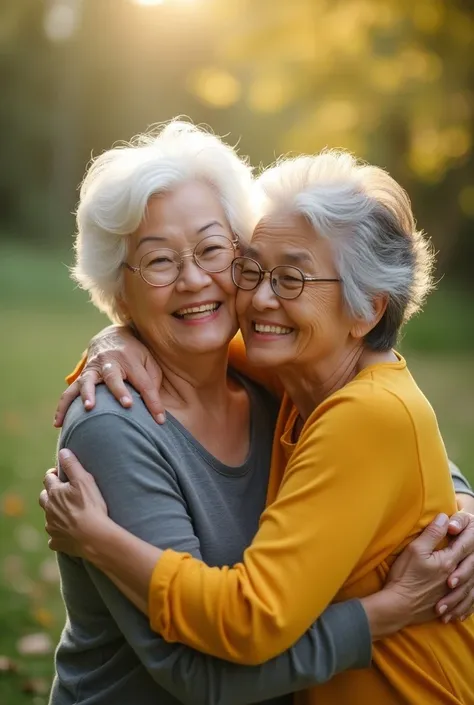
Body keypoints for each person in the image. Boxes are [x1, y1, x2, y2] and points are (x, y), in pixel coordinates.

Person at [42, 146, 474, 705]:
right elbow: (198, 672)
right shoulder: (126, 423)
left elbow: (390, 444)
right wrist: (112, 340)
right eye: (158, 261)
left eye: (213, 250)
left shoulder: (285, 384)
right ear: (118, 290)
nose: (196, 279)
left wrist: (460, 508)